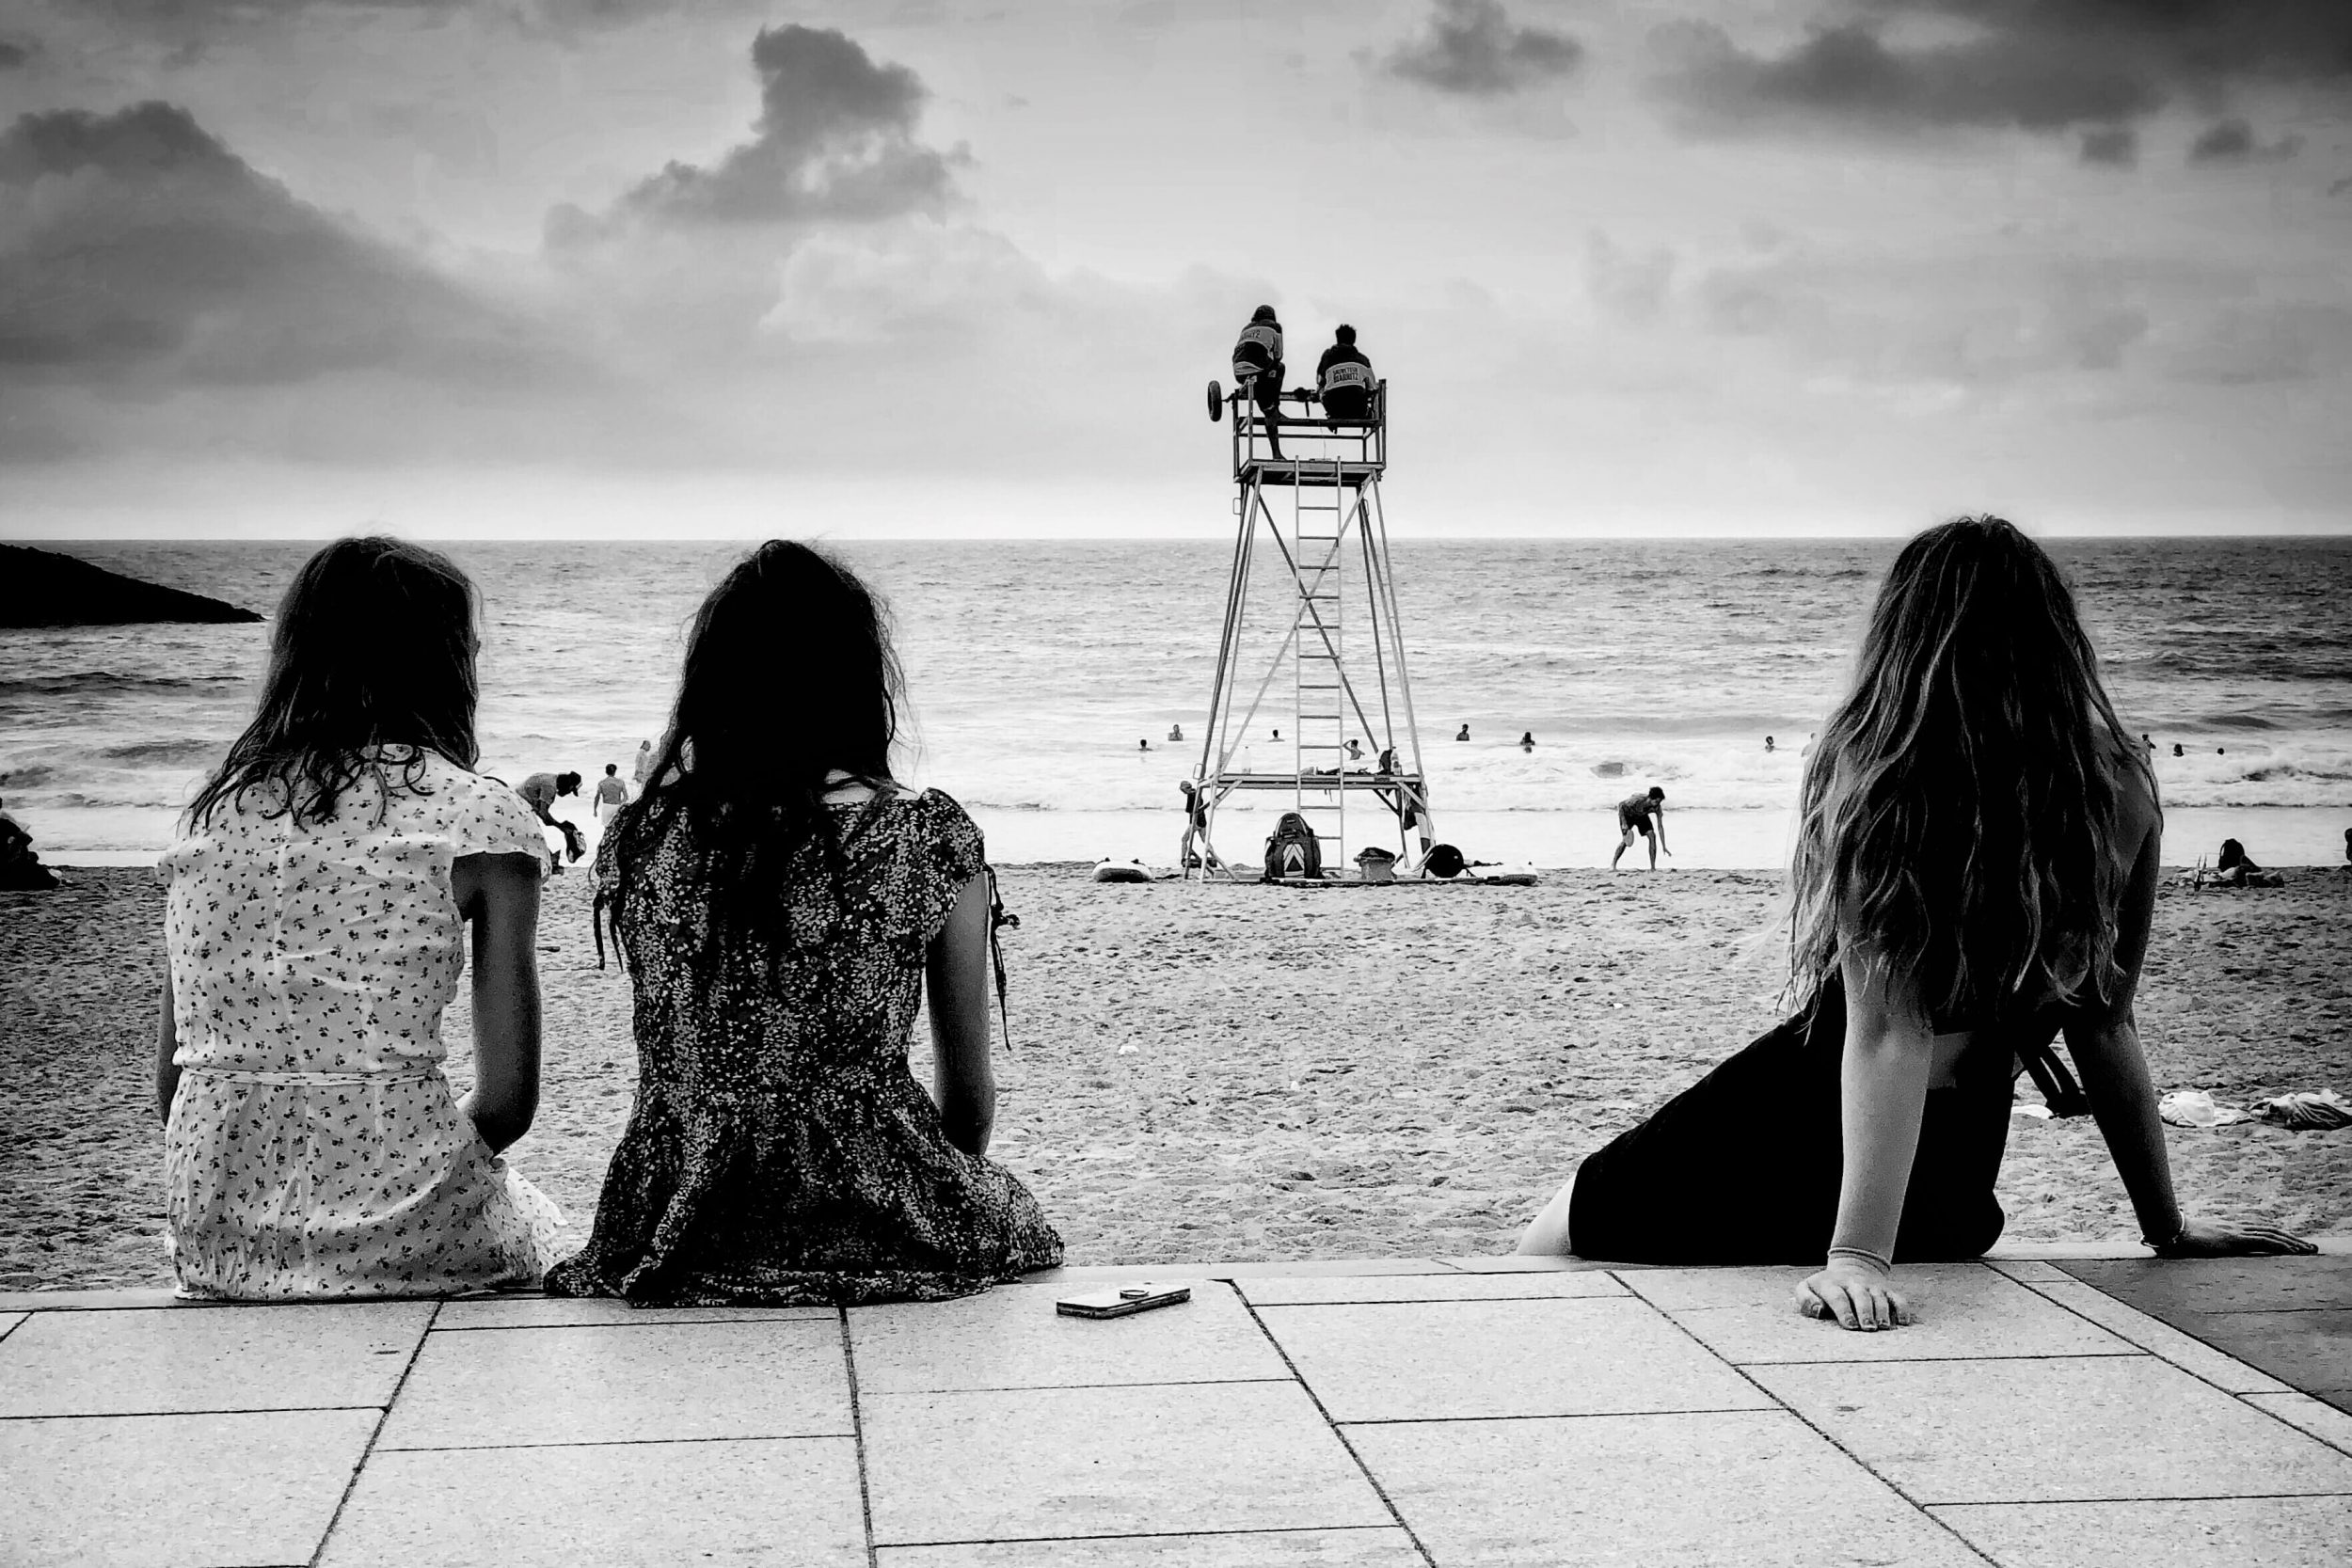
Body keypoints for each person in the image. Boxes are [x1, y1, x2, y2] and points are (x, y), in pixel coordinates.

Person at [1515, 517, 2312, 1328]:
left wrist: (1859, 1256)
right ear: (2056, 637)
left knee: (1548, 1238)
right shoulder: (2120, 784)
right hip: (1945, 1190)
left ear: (1902, 638)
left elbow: (1892, 1029)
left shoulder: (1881, 771)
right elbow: (2105, 1022)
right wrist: (2166, 1227)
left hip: (1798, 1131)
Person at [546, 541, 1062, 1306]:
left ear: (713, 684)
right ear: (857, 682)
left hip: (679, 1222)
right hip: (869, 1207)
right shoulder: (925, 838)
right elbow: (968, 1109)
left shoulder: (642, 838)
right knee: (1024, 1229)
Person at [152, 537, 561, 1299]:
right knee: (544, 1230)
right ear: (444, 662)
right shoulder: (479, 817)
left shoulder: (210, 815)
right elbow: (507, 1103)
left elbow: (173, 1083)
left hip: (216, 1222)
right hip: (398, 1222)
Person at [1231, 304, 1286, 459]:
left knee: (1265, 401)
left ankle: (1271, 408)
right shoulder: (1274, 326)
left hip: (1239, 373)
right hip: (1258, 369)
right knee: (1280, 368)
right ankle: (1274, 406)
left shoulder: (1246, 328)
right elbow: (1278, 355)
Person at [518, 769, 585, 863]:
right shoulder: (550, 788)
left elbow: (543, 814)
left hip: (519, 803)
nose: (568, 793)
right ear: (569, 786)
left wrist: (559, 826)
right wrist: (561, 827)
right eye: (571, 790)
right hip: (520, 808)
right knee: (534, 839)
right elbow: (543, 814)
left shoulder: (552, 779)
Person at [1316, 324, 1375, 426]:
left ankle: (1330, 416)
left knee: (1320, 388)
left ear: (1337, 339)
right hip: (1358, 410)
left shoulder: (1328, 357)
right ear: (1354, 340)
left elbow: (1319, 380)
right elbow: (1372, 387)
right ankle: (1369, 414)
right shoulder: (1363, 360)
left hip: (1334, 410)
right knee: (1366, 388)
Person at [1612, 786, 1667, 870]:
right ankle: (1613, 864)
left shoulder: (1657, 808)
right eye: (1656, 801)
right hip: (1627, 815)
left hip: (1641, 816)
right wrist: (1624, 823)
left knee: (1652, 835)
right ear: (1650, 798)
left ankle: (1653, 868)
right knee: (1626, 841)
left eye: (1659, 802)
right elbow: (1621, 805)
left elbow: (1660, 827)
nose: (1657, 804)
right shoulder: (1638, 800)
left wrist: (1664, 846)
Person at [1179, 779, 1217, 871]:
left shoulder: (1191, 795)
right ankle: (1214, 857)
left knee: (1184, 839)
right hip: (1203, 821)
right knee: (1205, 840)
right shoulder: (1197, 793)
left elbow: (1189, 810)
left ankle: (1183, 858)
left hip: (1195, 821)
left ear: (1186, 789)